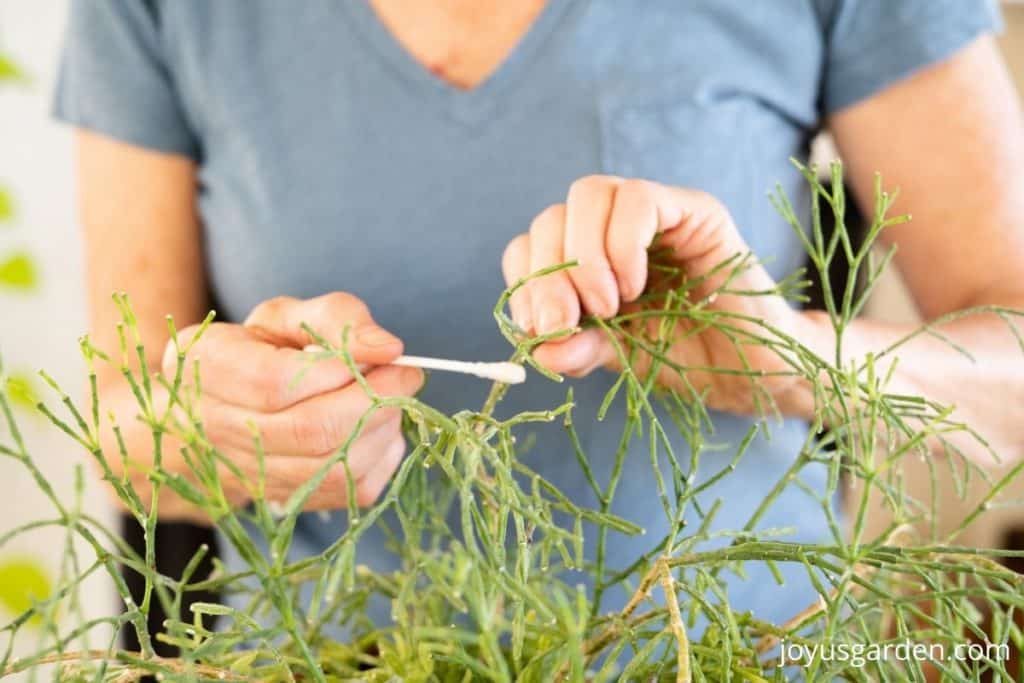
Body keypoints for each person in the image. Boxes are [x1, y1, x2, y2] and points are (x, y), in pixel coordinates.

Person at [55, 0, 1024, 634]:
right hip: (336, 652)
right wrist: (213, 424)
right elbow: (122, 418)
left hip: (742, 648)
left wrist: (790, 359)